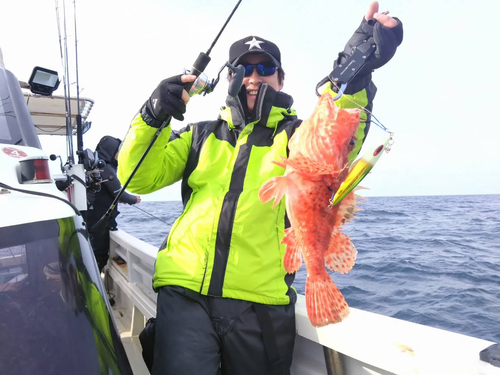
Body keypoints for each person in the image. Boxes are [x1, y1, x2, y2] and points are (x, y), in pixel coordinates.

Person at [118, 2, 403, 374]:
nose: (255, 77)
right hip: (185, 292)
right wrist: (152, 116)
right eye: (243, 69)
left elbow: (338, 129)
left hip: (261, 302)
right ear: (230, 76)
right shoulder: (198, 135)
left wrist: (356, 65)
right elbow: (135, 178)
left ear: (280, 80)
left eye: (265, 68)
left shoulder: (297, 137)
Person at [86, 135, 141, 272]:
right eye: (118, 151)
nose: (119, 155)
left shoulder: (94, 166)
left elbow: (105, 192)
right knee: (99, 256)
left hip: (90, 219)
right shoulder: (105, 168)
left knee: (92, 254)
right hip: (99, 221)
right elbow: (119, 192)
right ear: (111, 150)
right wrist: (134, 199)